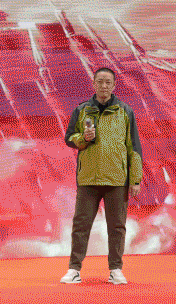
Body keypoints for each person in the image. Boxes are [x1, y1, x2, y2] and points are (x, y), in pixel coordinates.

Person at [59, 67, 143, 285]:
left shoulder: (125, 111)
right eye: (100, 82)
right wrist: (83, 138)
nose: (104, 86)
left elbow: (134, 147)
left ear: (114, 85)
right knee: (81, 226)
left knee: (117, 227)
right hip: (88, 179)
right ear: (93, 84)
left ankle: (116, 269)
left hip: (117, 179)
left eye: (108, 82)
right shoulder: (82, 110)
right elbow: (69, 138)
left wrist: (135, 179)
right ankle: (74, 269)